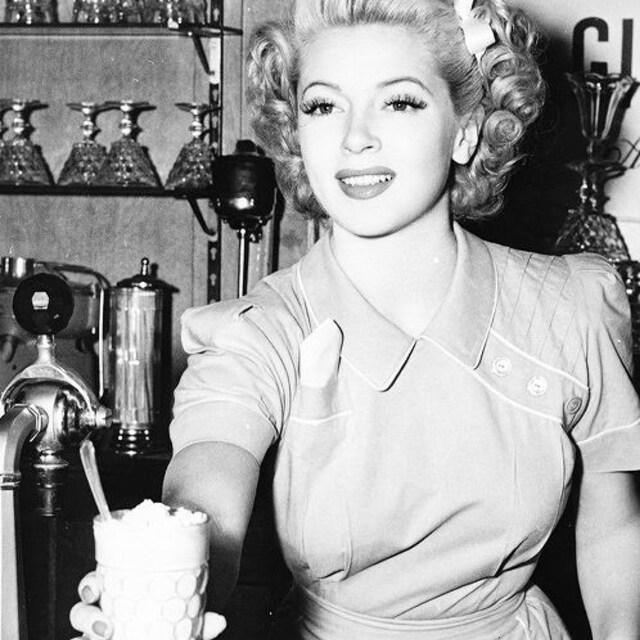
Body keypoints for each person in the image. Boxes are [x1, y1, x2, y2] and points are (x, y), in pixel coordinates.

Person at [72, 0, 640, 638]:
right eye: (323, 106)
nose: (354, 137)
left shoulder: (568, 308)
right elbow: (207, 486)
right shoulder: (261, 330)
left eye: (399, 102)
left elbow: (613, 525)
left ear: (466, 130)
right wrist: (162, 571)